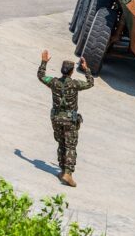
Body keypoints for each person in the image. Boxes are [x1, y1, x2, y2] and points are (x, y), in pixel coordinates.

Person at [37, 50, 94, 187]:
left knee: (61, 143)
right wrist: (86, 70)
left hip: (56, 118)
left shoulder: (54, 82)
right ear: (71, 72)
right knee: (70, 146)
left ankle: (62, 171)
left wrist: (44, 62)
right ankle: (68, 173)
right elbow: (90, 83)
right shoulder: (75, 84)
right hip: (69, 120)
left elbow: (41, 76)